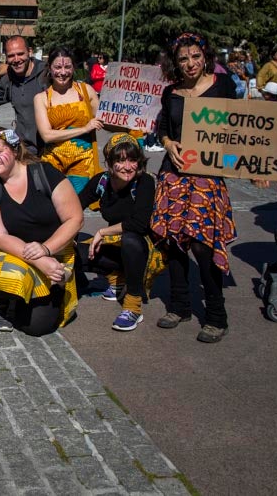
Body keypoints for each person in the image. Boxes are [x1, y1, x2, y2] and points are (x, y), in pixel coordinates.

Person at [152, 33, 237, 343]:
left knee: (203, 246)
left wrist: (252, 166)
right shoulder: (171, 93)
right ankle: (179, 306)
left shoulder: (222, 86)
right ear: (176, 63)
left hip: (207, 177)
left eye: (195, 57)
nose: (190, 64)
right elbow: (163, 127)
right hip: (173, 174)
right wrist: (167, 142)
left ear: (205, 57)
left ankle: (216, 315)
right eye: (183, 58)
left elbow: (238, 129)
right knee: (173, 242)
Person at [0, 129, 81, 335]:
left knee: (38, 327)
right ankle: (4, 301)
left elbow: (74, 219)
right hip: (17, 253)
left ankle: (54, 288)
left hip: (55, 251)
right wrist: (39, 259)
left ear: (14, 150)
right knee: (7, 276)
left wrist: (46, 249)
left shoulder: (44, 173)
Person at [78, 134, 160, 332]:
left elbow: (139, 224)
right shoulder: (102, 181)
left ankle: (133, 306)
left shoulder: (144, 182)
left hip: (144, 248)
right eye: (120, 161)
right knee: (72, 247)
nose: (128, 166)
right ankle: (117, 277)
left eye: (133, 160)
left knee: (130, 241)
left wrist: (102, 232)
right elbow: (74, 206)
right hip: (116, 244)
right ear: (110, 162)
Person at [34, 49, 102, 193]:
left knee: (76, 206)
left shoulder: (86, 91)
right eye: (58, 67)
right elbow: (47, 135)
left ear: (74, 68)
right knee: (54, 207)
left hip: (83, 163)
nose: (63, 72)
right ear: (50, 68)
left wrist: (136, 123)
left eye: (67, 67)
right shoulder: (41, 98)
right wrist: (84, 129)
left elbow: (105, 120)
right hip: (53, 163)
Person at [0, 36, 48, 155]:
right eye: (11, 56)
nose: (16, 59)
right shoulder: (8, 79)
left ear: (30, 52)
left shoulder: (46, 74)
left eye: (20, 54)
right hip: (26, 150)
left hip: (51, 148)